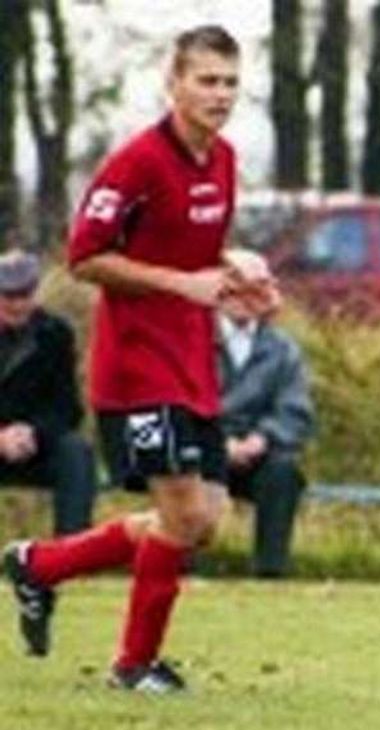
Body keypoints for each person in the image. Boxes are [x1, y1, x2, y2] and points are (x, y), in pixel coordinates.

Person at [2, 25, 275, 688]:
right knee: (183, 514)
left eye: (230, 82)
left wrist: (236, 270)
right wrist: (184, 284)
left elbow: (189, 251)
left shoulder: (224, 159)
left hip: (193, 361)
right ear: (173, 83)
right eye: (206, 80)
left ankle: (40, 566)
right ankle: (133, 664)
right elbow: (85, 256)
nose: (220, 94)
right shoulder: (137, 163)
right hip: (138, 368)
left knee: (202, 520)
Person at [218, 250, 316, 578]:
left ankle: (270, 572)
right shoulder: (191, 341)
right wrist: (219, 442)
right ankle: (178, 568)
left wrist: (263, 437)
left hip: (259, 451)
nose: (245, 300)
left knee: (283, 473)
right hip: (204, 448)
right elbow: (180, 405)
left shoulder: (283, 349)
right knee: (183, 471)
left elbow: (295, 410)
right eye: (238, 289)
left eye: (257, 289)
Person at [0, 250, 97, 540]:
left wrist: (33, 432)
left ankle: (70, 551)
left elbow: (67, 408)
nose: (18, 304)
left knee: (76, 452)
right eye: (9, 296)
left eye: (25, 295)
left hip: (34, 445)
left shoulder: (56, 333)